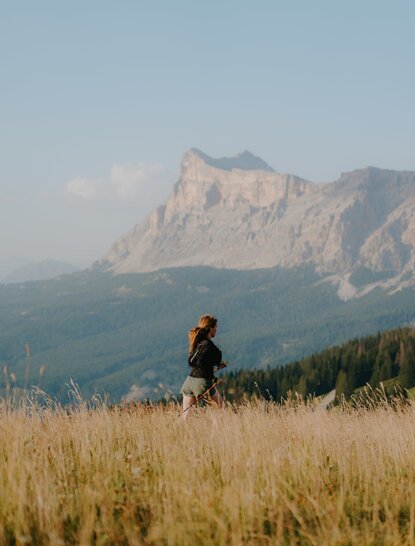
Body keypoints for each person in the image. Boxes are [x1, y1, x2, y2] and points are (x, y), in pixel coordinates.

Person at [180, 314, 226, 418]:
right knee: (221, 408)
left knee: (185, 415)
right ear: (210, 328)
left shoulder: (197, 343)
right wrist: (215, 379)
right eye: (215, 327)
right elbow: (208, 364)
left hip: (189, 382)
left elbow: (195, 362)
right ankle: (217, 432)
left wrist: (216, 366)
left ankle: (177, 432)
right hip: (203, 383)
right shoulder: (209, 345)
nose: (216, 330)